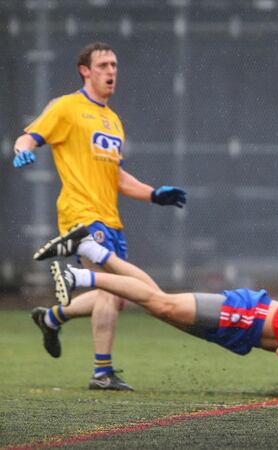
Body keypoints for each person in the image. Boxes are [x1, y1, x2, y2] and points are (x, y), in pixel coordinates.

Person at [14, 42, 187, 391]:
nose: (111, 71)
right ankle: (101, 373)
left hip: (110, 218)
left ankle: (51, 318)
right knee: (111, 289)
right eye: (104, 65)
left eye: (115, 65)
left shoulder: (112, 121)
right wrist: (23, 151)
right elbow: (29, 136)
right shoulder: (67, 107)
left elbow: (118, 177)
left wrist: (153, 193)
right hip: (81, 215)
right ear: (85, 70)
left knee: (117, 295)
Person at [36, 226, 278, 397]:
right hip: (246, 313)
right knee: (159, 303)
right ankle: (79, 275)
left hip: (242, 333)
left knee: (157, 303)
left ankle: (88, 249)